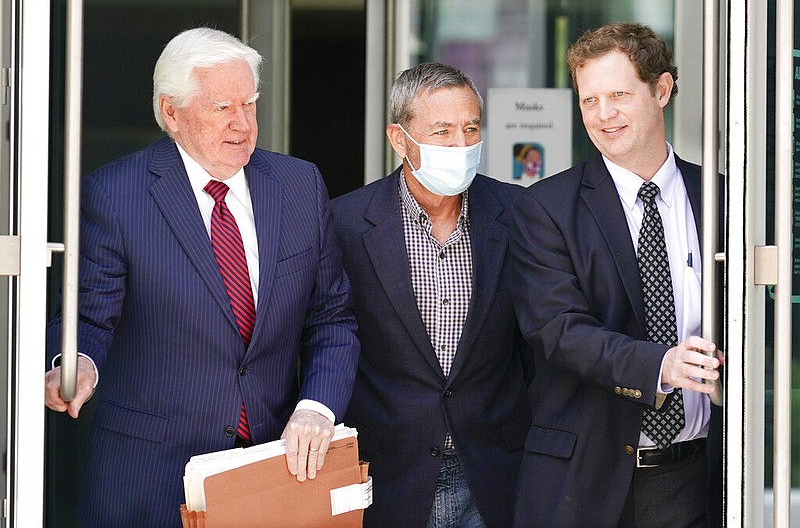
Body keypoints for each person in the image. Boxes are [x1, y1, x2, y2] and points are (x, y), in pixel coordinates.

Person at [44, 27, 360, 527]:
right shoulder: (116, 193)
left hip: (272, 468)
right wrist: (76, 364)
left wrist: (317, 407)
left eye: (249, 105)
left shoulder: (300, 185)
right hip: (148, 477)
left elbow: (332, 320)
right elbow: (89, 315)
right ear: (171, 112)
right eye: (222, 109)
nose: (242, 125)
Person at [509, 23, 723, 527]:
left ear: (662, 90)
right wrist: (660, 366)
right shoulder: (546, 208)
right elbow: (557, 330)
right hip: (588, 485)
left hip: (700, 477)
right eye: (589, 101)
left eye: (619, 95)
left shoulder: (719, 196)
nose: (603, 116)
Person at [332, 62, 533, 528]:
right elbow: (328, 338)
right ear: (399, 139)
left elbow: (536, 346)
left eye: (470, 129)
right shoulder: (344, 223)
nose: (461, 146)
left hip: (494, 471)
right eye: (442, 131)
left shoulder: (519, 214)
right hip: (388, 473)